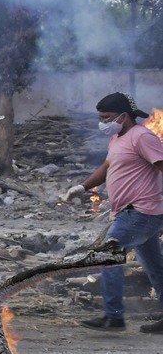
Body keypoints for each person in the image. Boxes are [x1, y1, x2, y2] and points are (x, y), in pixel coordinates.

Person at [62, 92, 163, 333]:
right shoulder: (118, 138)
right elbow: (107, 167)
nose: (102, 123)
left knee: (108, 256)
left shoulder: (142, 137)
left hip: (140, 211)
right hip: (134, 213)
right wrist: (83, 186)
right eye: (100, 117)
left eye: (106, 117)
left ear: (124, 116)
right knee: (155, 266)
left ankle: (114, 316)